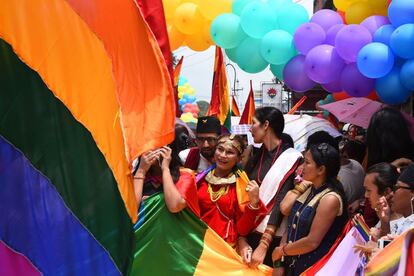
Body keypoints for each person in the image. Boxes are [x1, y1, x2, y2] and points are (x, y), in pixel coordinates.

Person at [161, 134, 268, 247]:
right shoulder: (198, 180)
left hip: (224, 248)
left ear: (238, 158)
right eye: (220, 149)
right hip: (198, 244)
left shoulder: (241, 187)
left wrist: (253, 204)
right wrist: (165, 168)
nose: (223, 155)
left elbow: (242, 230)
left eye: (230, 152)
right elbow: (176, 206)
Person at [272, 143, 348, 276]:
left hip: (311, 270)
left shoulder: (330, 199)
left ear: (321, 170)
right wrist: (280, 262)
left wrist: (281, 251)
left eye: (307, 163)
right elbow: (289, 224)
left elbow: (312, 242)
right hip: (291, 266)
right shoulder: (309, 188)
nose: (302, 167)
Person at [241, 107, 302, 267]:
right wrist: (241, 238)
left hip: (271, 237)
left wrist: (263, 245)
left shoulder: (292, 159)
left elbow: (280, 204)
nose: (250, 128)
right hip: (249, 230)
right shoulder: (256, 155)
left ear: (266, 125)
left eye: (253, 123)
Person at [133, 124, 193, 207]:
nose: (149, 150)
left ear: (169, 149)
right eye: (146, 146)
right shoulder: (135, 175)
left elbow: (174, 206)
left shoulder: (185, 176)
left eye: (156, 145)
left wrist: (165, 168)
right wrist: (141, 171)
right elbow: (131, 208)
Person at [363, 162, 399, 238]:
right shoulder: (382, 214)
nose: (366, 195)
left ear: (387, 192)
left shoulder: (405, 229)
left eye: (369, 190)